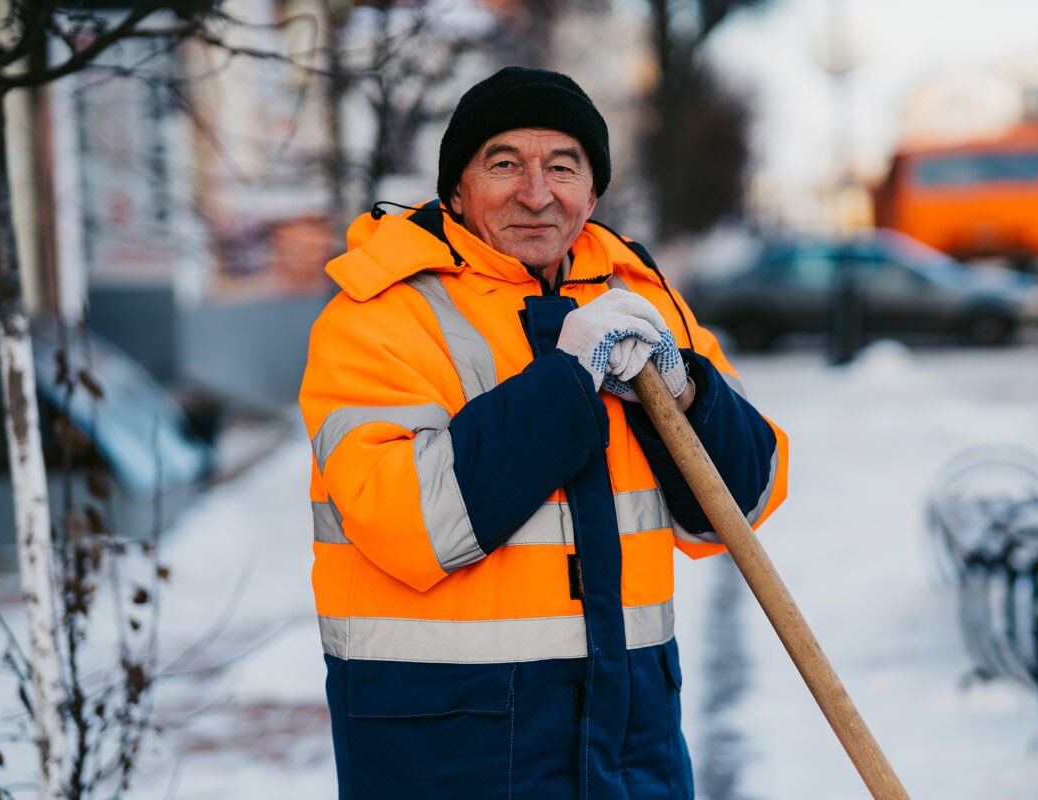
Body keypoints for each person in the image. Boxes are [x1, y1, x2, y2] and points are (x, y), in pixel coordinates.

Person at [298, 65, 788, 800]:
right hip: (446, 744)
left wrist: (685, 388)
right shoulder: (378, 317)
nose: (536, 193)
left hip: (631, 736)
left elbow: (741, 505)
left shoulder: (640, 298)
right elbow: (414, 524)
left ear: (593, 193)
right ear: (455, 191)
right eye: (504, 164)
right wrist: (566, 380)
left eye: (563, 166)